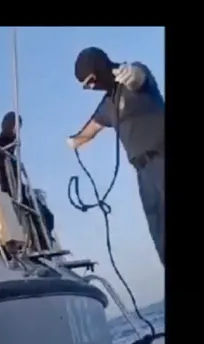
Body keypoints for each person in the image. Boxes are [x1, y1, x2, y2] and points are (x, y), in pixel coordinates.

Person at [67, 47, 165, 266]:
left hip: (162, 156)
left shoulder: (136, 75)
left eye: (91, 81)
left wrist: (133, 75)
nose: (90, 87)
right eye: (85, 86)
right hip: (143, 174)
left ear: (100, 67)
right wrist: (74, 141)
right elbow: (90, 130)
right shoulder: (107, 104)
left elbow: (138, 78)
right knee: (161, 238)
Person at [0, 112, 55, 251]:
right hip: (10, 187)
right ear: (5, 124)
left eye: (18, 126)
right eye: (14, 125)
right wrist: (13, 144)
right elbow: (1, 165)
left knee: (47, 215)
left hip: (19, 186)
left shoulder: (10, 141)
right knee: (39, 214)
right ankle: (40, 244)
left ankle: (45, 241)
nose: (16, 129)